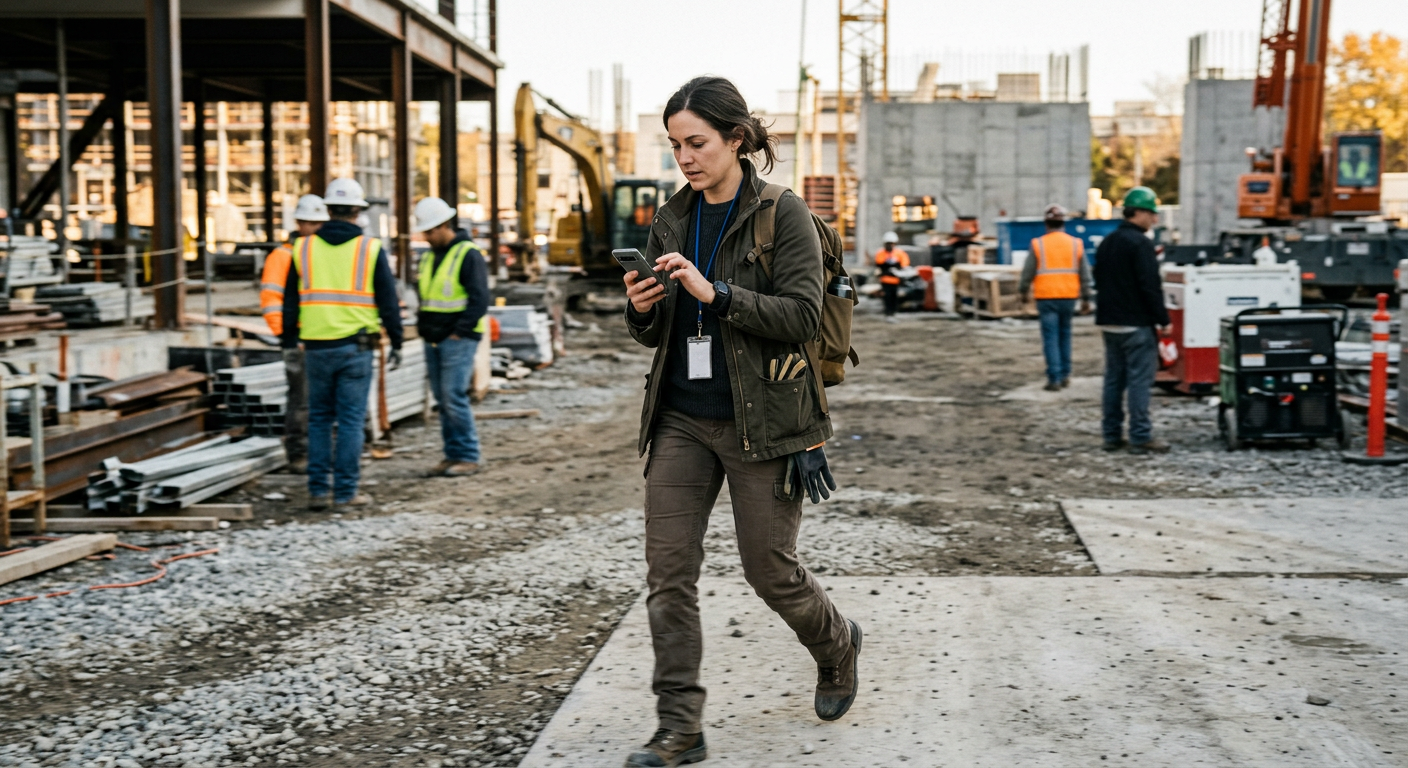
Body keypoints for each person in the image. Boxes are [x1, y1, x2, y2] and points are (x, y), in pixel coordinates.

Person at [621, 76, 859, 768]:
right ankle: (679, 728)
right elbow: (657, 333)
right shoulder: (671, 217)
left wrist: (716, 292)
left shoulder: (782, 215)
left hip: (767, 423)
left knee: (771, 571)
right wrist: (642, 308)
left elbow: (802, 317)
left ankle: (837, 644)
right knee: (668, 574)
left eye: (696, 143)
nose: (685, 158)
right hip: (682, 420)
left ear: (735, 139)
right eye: (675, 146)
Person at [281, 177, 404, 509]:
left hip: (316, 347)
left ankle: (318, 491)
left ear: (329, 210)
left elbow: (289, 301)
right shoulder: (370, 248)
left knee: (319, 418)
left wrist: (289, 341)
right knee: (350, 420)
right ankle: (346, 492)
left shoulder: (303, 248)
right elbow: (388, 301)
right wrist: (397, 340)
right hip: (355, 348)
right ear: (358, 211)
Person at [411, 196, 491, 478]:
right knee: (443, 398)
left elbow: (480, 299)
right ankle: (452, 453)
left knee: (453, 396)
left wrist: (459, 333)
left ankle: (468, 455)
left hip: (457, 338)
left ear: (445, 225)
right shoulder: (431, 256)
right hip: (435, 337)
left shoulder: (467, 254)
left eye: (430, 231)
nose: (427, 237)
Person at [1093, 186, 1171, 454]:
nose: (1154, 219)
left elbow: (1099, 280)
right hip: (1136, 324)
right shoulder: (1140, 244)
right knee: (1139, 381)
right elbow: (1150, 285)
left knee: (1114, 380)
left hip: (1109, 323)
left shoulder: (1108, 242)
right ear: (1137, 213)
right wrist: (1163, 319)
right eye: (1151, 213)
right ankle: (1140, 437)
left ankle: (1111, 435)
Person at [259, 193, 328, 474]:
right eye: (311, 223)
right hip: (296, 340)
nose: (316, 228)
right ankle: (298, 454)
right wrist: (288, 337)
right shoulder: (283, 255)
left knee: (317, 401)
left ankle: (317, 452)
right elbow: (272, 300)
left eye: (319, 223)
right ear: (299, 223)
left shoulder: (314, 253)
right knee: (300, 401)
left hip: (316, 337)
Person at [1020, 204, 1093, 391]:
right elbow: (1085, 273)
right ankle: (1065, 375)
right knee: (1065, 335)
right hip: (1069, 296)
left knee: (1051, 338)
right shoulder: (1076, 243)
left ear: (1046, 224)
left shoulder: (1038, 244)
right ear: (1063, 224)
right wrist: (1087, 298)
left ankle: (1054, 378)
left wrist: (1023, 292)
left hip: (1046, 297)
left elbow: (1027, 272)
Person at [873, 231, 908, 317]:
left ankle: (893, 311)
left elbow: (904, 264)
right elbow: (879, 265)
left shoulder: (899, 253)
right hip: (885, 280)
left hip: (896, 280)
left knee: (894, 296)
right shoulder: (880, 253)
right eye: (888, 243)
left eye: (891, 243)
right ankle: (888, 311)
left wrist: (897, 270)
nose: (889, 245)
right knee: (887, 296)